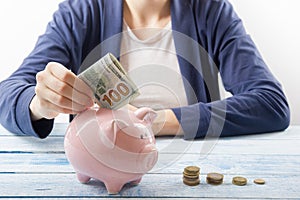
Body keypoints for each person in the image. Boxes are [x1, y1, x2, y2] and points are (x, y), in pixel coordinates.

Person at [0, 0, 290, 139]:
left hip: (188, 166)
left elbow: (270, 103)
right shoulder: (82, 11)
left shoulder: (210, 10)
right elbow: (8, 95)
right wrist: (40, 103)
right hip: (99, 167)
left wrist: (156, 121)